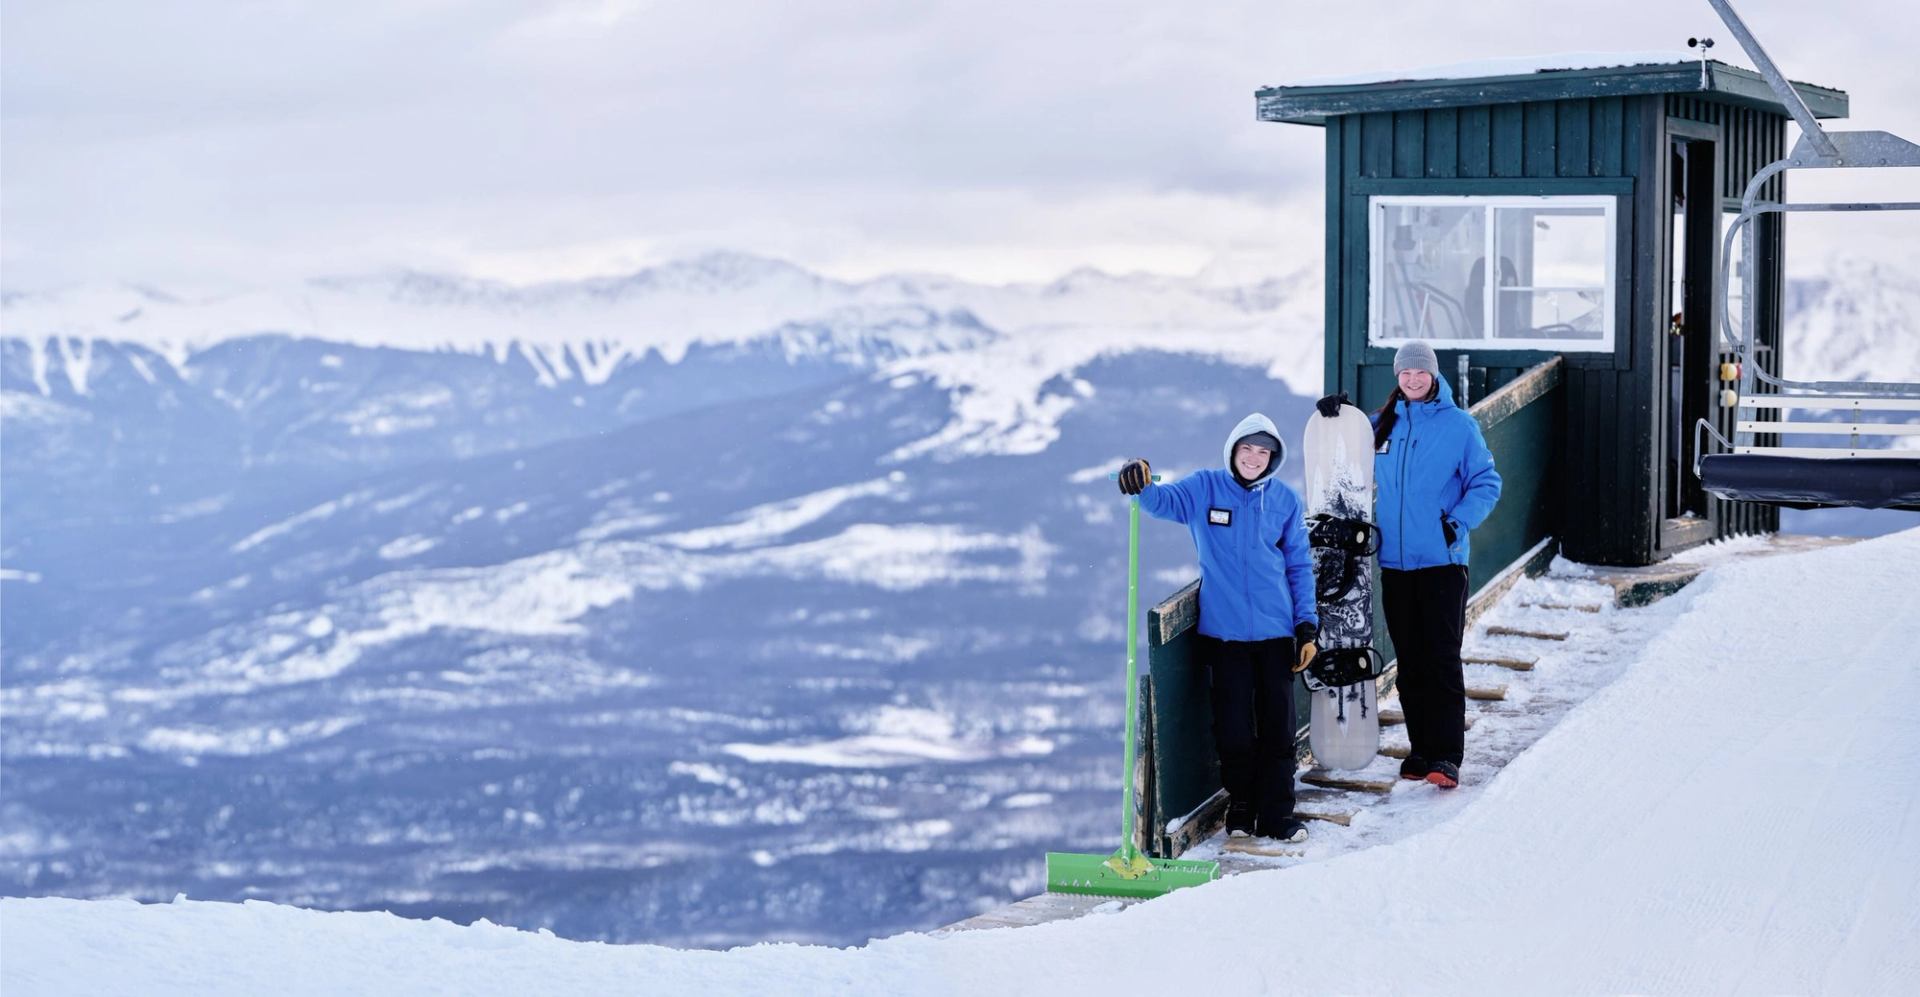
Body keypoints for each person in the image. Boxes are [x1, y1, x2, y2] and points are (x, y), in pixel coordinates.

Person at [1117, 413, 1319, 843]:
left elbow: (1300, 565)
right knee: (1233, 730)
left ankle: (1279, 814)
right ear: (1233, 450)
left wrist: (1306, 626)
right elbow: (1161, 502)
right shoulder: (1204, 488)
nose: (1254, 458)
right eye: (1248, 449)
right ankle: (1242, 806)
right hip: (1223, 635)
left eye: (1264, 452)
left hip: (1276, 633)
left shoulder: (1283, 500)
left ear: (1273, 458)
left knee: (1278, 728)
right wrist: (1140, 481)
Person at [1319, 340, 1501, 789]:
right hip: (1396, 565)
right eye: (1406, 373)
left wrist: (1455, 524)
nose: (1414, 380)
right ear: (1397, 377)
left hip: (1442, 562)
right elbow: (1345, 452)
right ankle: (1421, 751)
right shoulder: (1383, 425)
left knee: (1440, 658)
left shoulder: (1459, 426)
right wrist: (1334, 417)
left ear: (1433, 375)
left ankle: (1447, 755)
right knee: (1411, 661)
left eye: (1421, 373)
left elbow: (1486, 482)